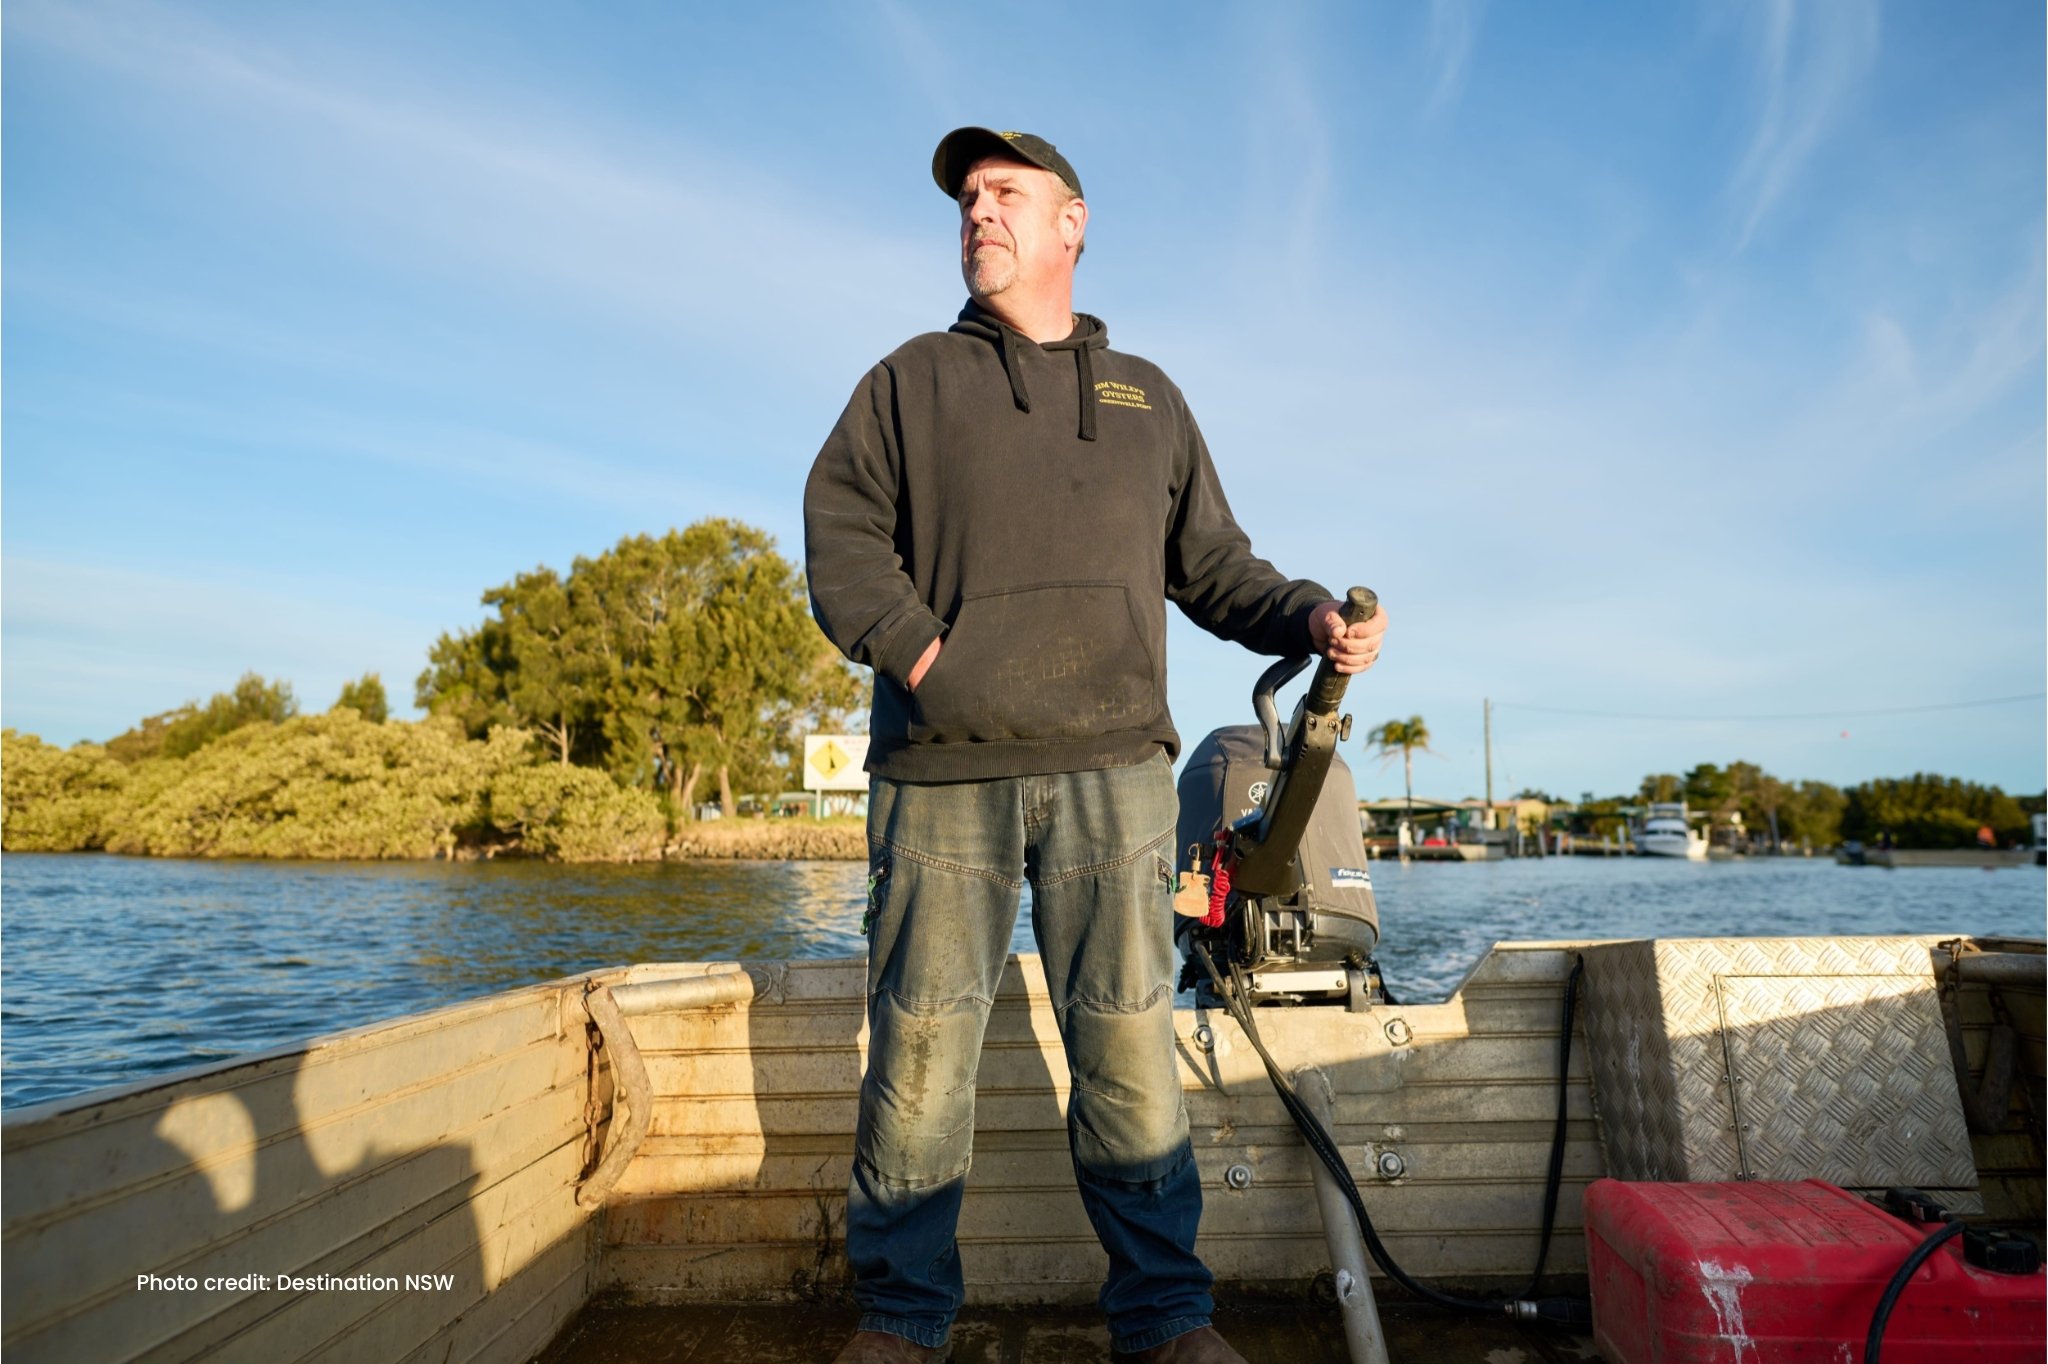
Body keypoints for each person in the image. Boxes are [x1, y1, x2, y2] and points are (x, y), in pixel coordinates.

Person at [802, 127, 1386, 1364]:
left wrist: (1307, 615)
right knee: (918, 1050)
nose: (977, 212)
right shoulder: (907, 380)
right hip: (939, 774)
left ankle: (1166, 1319)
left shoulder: (1146, 399)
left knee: (1126, 1050)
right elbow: (841, 537)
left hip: (1115, 774)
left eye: (1003, 192)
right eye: (966, 197)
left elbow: (1213, 565)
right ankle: (900, 1321)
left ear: (1071, 221)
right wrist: (927, 659)